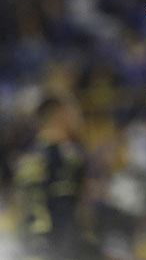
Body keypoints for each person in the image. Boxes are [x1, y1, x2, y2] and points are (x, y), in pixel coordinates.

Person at [13, 95, 96, 260]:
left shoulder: (27, 159)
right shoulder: (66, 158)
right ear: (60, 115)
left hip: (30, 250)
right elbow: (65, 213)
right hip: (57, 250)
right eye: (74, 113)